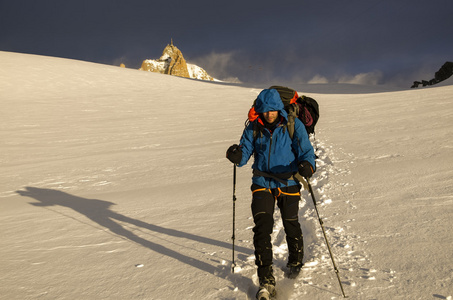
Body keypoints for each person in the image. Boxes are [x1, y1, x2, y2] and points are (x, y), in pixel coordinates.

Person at [226, 88, 316, 296]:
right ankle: (266, 279)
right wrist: (236, 155)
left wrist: (307, 166)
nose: (269, 114)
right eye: (265, 111)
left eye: (273, 110)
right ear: (259, 111)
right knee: (262, 227)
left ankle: (295, 261)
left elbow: (306, 152)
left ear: (279, 109)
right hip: (262, 182)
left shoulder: (293, 125)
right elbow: (244, 155)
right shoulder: (253, 128)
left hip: (289, 181)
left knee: (291, 222)